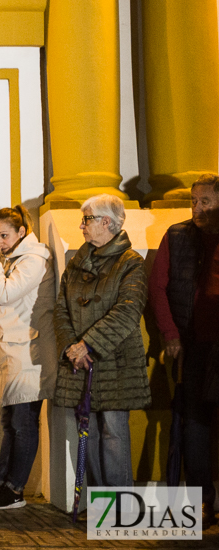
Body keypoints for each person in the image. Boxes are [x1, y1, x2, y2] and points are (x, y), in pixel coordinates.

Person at [54, 194, 150, 491]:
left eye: (87, 219)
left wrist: (88, 344)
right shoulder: (76, 262)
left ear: (106, 222)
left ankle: (121, 504)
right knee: (88, 431)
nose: (81, 225)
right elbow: (60, 309)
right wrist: (72, 346)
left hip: (114, 361)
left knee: (114, 432)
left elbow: (128, 311)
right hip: (79, 361)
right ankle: (100, 505)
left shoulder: (131, 263)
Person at [0, 205, 56, 510]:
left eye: (4, 235)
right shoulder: (15, 259)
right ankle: (0, 483)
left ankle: (15, 490)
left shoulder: (33, 260)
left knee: (23, 423)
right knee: (10, 422)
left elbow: (5, 293)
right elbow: (12, 304)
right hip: (13, 351)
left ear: (22, 232)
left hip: (29, 354)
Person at [149, 173, 219, 526]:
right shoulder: (177, 235)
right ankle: (201, 502)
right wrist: (170, 334)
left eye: (205, 201)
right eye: (194, 200)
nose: (197, 208)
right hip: (191, 346)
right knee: (194, 423)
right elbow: (157, 286)